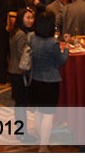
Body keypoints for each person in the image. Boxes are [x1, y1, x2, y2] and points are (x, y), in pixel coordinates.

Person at [28, 10, 69, 152]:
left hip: (35, 78)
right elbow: (62, 60)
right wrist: (66, 47)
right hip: (50, 81)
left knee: (38, 112)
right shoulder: (53, 43)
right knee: (48, 114)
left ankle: (42, 140)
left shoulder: (32, 38)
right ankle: (43, 146)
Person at [8, 8, 34, 134]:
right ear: (21, 19)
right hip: (19, 73)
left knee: (19, 104)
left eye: (32, 18)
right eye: (28, 18)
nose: (31, 20)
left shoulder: (15, 32)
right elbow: (23, 56)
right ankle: (22, 133)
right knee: (21, 105)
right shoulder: (21, 34)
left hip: (14, 70)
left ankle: (20, 132)